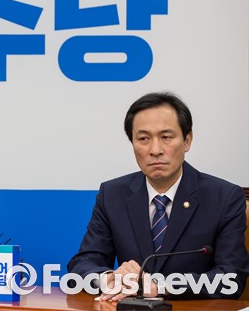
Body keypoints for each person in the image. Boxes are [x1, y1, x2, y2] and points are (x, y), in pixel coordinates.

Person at [67, 92, 249, 300]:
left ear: (187, 141)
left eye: (166, 137)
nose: (155, 150)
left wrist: (160, 286)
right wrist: (109, 278)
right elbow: (81, 266)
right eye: (143, 139)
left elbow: (231, 278)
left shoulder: (224, 198)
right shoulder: (112, 194)